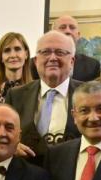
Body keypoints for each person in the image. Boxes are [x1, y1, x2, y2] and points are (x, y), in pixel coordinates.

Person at [7, 31, 82, 163]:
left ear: (72, 61)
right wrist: (12, 146)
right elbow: (4, 134)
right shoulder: (15, 96)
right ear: (36, 61)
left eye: (60, 52)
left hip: (73, 176)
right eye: (46, 52)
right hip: (27, 176)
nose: (52, 58)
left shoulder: (88, 94)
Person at [0, 31, 30, 109]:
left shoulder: (36, 88)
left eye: (17, 49)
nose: (13, 55)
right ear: (1, 57)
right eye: (7, 50)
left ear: (26, 54)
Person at [52, 15, 101, 82]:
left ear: (78, 35)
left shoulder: (92, 65)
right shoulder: (37, 63)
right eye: (62, 27)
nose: (68, 31)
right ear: (53, 34)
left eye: (72, 27)